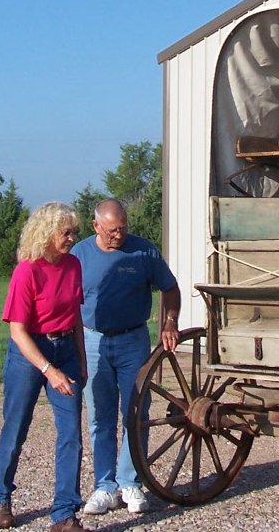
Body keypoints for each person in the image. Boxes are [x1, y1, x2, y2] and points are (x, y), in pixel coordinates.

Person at [71, 198, 180, 515]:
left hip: (133, 340)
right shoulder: (79, 255)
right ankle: (104, 487)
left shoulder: (143, 251)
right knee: (99, 417)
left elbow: (170, 289)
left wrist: (169, 322)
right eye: (111, 231)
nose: (118, 235)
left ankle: (130, 483)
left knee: (136, 412)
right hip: (92, 342)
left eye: (123, 229)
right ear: (96, 226)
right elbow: (64, 297)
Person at [0, 202, 91, 532]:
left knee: (71, 433)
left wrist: (80, 360)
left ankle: (64, 514)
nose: (71, 238)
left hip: (65, 350)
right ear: (47, 232)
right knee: (16, 427)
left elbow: (75, 316)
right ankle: (1, 497)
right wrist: (49, 369)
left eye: (74, 232)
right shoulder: (27, 271)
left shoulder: (73, 265)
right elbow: (17, 331)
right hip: (29, 351)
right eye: (66, 232)